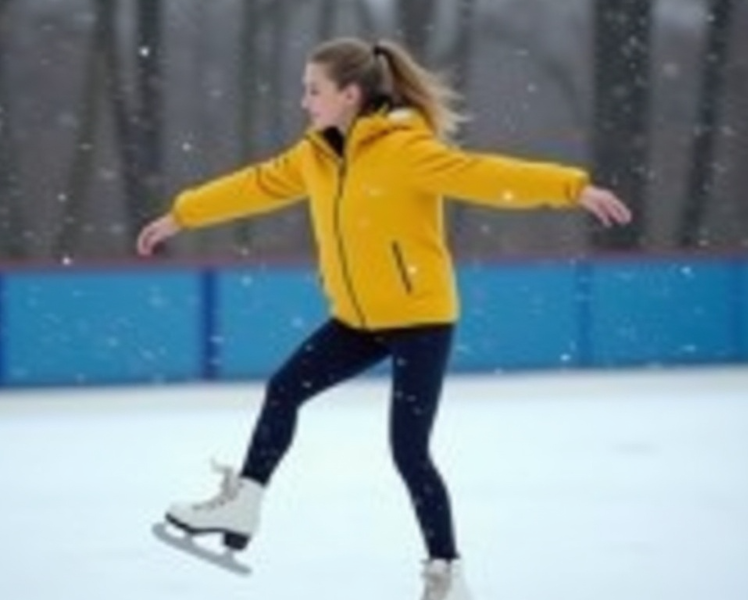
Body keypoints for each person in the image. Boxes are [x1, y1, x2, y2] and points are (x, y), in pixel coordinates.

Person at [137, 37, 631, 600]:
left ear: (349, 95)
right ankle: (243, 505)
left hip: (421, 318)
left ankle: (447, 573)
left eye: (313, 91)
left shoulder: (405, 149)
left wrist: (572, 188)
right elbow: (254, 185)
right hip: (357, 320)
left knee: (408, 451)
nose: (305, 102)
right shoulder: (315, 155)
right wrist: (181, 215)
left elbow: (484, 175)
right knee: (283, 389)